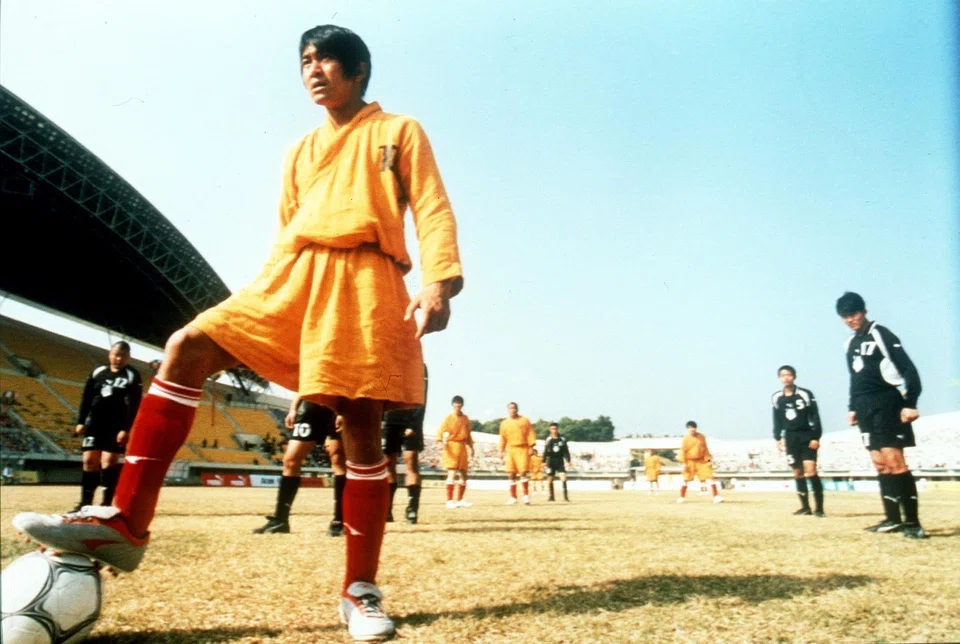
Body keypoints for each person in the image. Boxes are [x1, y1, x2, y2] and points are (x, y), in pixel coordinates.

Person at [14, 24, 463, 641]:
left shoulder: (398, 131)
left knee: (361, 423)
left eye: (325, 59)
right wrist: (264, 292)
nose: (312, 69)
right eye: (304, 60)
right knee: (188, 345)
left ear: (358, 70)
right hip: (293, 272)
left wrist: (439, 280)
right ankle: (126, 520)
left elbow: (432, 205)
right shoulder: (300, 150)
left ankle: (360, 589)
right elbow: (285, 228)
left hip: (367, 276)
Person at [836, 292, 925, 538]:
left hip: (887, 402)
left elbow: (909, 369)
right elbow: (854, 378)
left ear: (863, 311)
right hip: (864, 408)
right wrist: (852, 407)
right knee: (879, 463)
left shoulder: (881, 334)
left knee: (895, 461)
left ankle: (913, 523)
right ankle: (892, 518)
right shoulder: (849, 343)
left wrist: (910, 402)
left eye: (853, 314)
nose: (850, 320)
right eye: (845, 316)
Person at [252, 398, 345, 536]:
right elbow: (304, 383)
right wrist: (293, 408)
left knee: (338, 461)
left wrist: (344, 412)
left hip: (337, 407)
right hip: (312, 410)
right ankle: (280, 520)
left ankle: (340, 521)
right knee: (290, 461)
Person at [72, 341, 142, 511]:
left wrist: (126, 429)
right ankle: (85, 503)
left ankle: (106, 503)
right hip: (95, 424)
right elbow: (86, 398)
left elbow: (134, 405)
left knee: (109, 462)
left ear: (128, 357)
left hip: (116, 426)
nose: (118, 359)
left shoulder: (132, 376)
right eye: (116, 355)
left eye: (123, 356)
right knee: (89, 461)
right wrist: (81, 421)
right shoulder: (98, 372)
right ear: (109, 355)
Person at [771, 365, 825, 516]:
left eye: (789, 375)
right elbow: (777, 419)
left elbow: (814, 415)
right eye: (783, 375)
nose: (786, 378)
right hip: (790, 437)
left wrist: (816, 436)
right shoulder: (777, 397)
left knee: (811, 470)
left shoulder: (805, 394)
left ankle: (819, 508)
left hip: (806, 435)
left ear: (794, 376)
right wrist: (777, 438)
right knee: (797, 472)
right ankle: (805, 507)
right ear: (779, 378)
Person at [382, 365, 428, 524]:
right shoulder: (387, 363)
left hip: (410, 420)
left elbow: (422, 398)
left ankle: (412, 509)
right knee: (388, 464)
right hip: (390, 420)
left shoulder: (419, 366)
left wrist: (414, 424)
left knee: (411, 463)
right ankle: (387, 509)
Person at [437, 395, 474, 508]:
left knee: (463, 473)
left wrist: (471, 447)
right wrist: (440, 443)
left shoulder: (466, 418)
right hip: (451, 446)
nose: (457, 406)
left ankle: (460, 499)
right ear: (452, 405)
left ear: (462, 405)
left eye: (459, 404)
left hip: (462, 446)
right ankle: (449, 501)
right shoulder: (448, 418)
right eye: (456, 404)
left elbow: (468, 435)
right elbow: (440, 433)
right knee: (452, 472)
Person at [498, 402, 537, 505]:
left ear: (517, 409)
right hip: (511, 449)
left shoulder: (524, 420)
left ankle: (525, 496)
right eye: (510, 408)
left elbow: (530, 433)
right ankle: (513, 497)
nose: (513, 410)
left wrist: (531, 447)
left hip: (522, 448)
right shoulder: (504, 423)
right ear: (508, 410)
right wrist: (501, 450)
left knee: (523, 473)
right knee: (511, 474)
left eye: (514, 408)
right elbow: (503, 438)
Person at [677, 421, 723, 504]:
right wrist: (684, 463)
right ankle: (681, 497)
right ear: (687, 429)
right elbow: (683, 451)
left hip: (701, 461)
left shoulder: (701, 437)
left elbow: (706, 450)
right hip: (690, 461)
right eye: (690, 428)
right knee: (685, 479)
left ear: (695, 428)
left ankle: (716, 496)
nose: (692, 430)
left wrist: (709, 461)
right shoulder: (686, 439)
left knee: (710, 477)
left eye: (693, 428)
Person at [542, 422, 571, 502]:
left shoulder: (562, 439)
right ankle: (551, 496)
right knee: (550, 479)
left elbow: (566, 451)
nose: (554, 430)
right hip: (551, 461)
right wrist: (543, 461)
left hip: (559, 461)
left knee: (563, 477)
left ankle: (565, 497)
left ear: (558, 429)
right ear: (550, 430)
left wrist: (568, 460)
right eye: (552, 429)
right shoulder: (548, 439)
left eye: (555, 429)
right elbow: (545, 451)